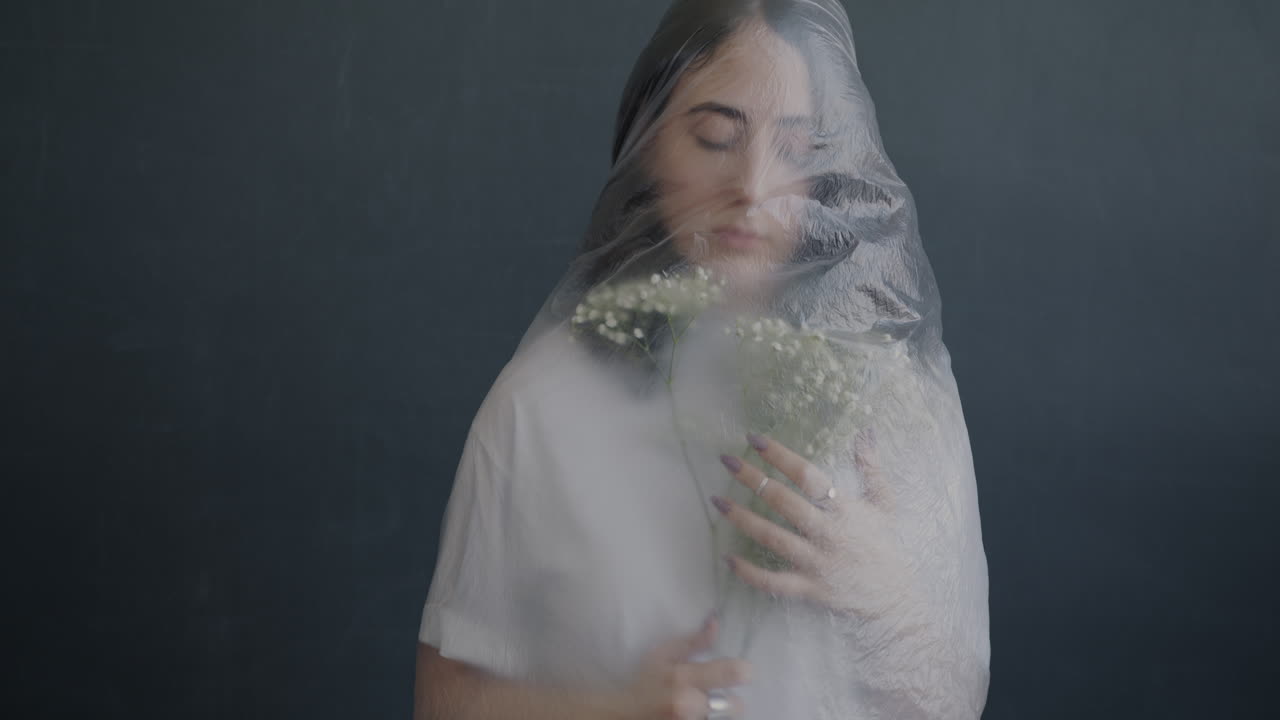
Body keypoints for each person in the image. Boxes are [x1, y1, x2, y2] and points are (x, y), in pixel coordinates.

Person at [413, 1, 991, 718]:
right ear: (648, 145)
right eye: (717, 137)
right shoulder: (541, 407)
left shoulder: (893, 399)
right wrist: (617, 712)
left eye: (796, 147)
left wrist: (887, 600)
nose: (752, 187)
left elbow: (955, 700)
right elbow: (444, 702)